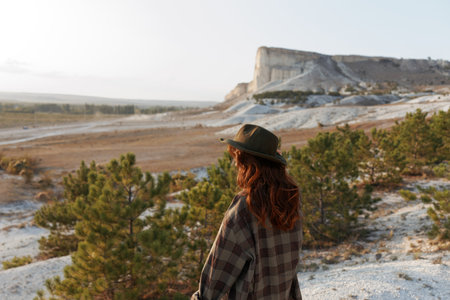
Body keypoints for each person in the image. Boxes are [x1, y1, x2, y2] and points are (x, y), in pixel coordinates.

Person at [191, 124, 302, 300]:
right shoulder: (292, 200)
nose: (235, 163)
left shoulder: (244, 208)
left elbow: (215, 281)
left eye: (237, 158)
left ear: (248, 164)